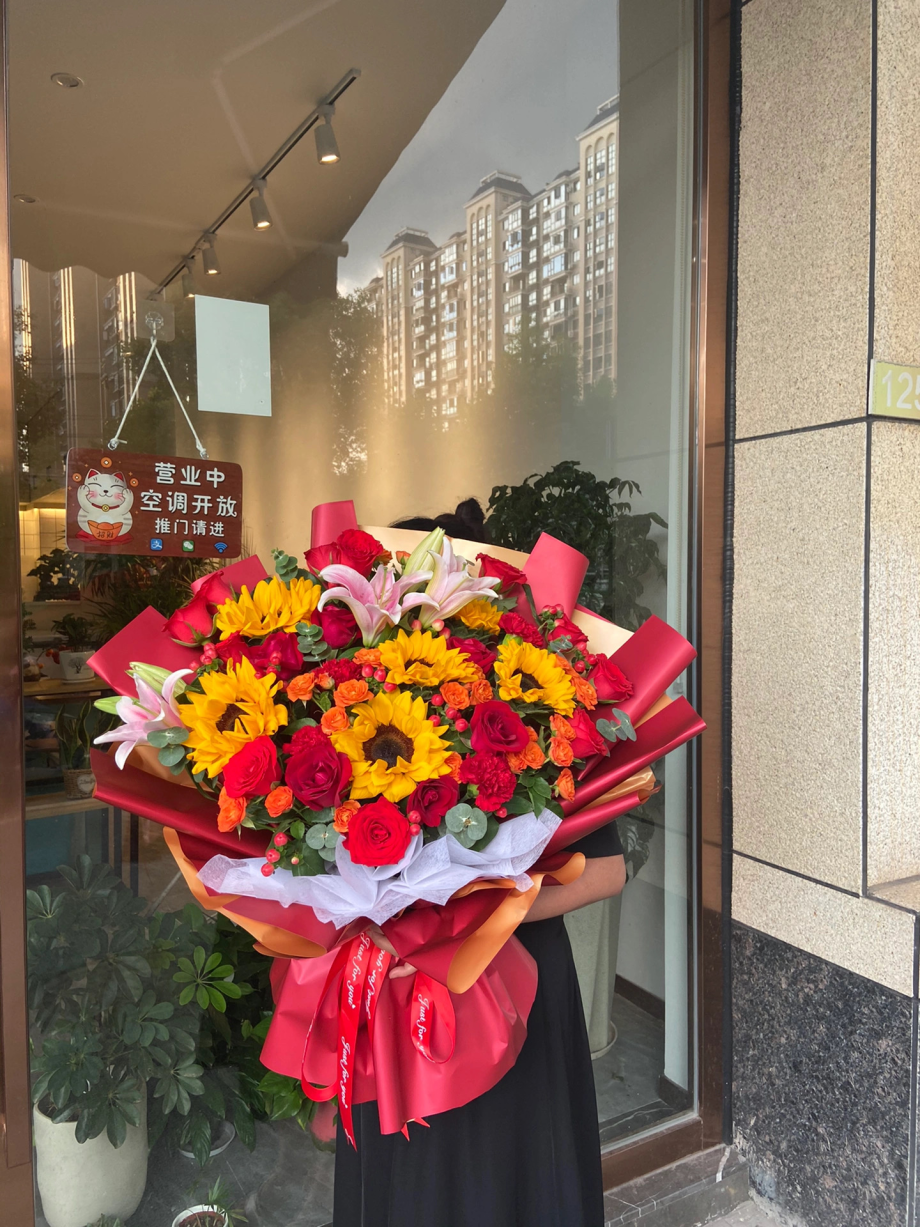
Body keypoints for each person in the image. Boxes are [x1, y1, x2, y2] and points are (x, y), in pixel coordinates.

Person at [333, 500, 627, 1227]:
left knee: (514, 1176)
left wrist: (469, 921)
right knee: (414, 1183)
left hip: (516, 983)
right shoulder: (351, 712)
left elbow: (606, 870)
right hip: (397, 989)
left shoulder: (544, 711)